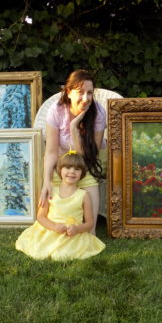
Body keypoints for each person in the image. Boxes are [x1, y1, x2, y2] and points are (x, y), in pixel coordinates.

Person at [39, 69, 106, 234]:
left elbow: (90, 156)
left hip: (85, 165)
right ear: (68, 92)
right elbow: (51, 152)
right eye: (80, 92)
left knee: (91, 233)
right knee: (52, 230)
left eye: (89, 93)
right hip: (61, 167)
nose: (85, 98)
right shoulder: (56, 110)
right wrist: (46, 181)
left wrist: (74, 129)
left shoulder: (98, 113)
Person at [15, 152, 105, 261]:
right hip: (50, 229)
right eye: (67, 167)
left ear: (82, 173)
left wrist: (77, 229)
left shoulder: (84, 196)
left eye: (77, 169)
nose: (72, 171)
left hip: (71, 233)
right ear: (60, 170)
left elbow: (90, 223)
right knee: (39, 249)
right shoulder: (51, 191)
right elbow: (41, 217)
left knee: (63, 255)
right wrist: (54, 226)